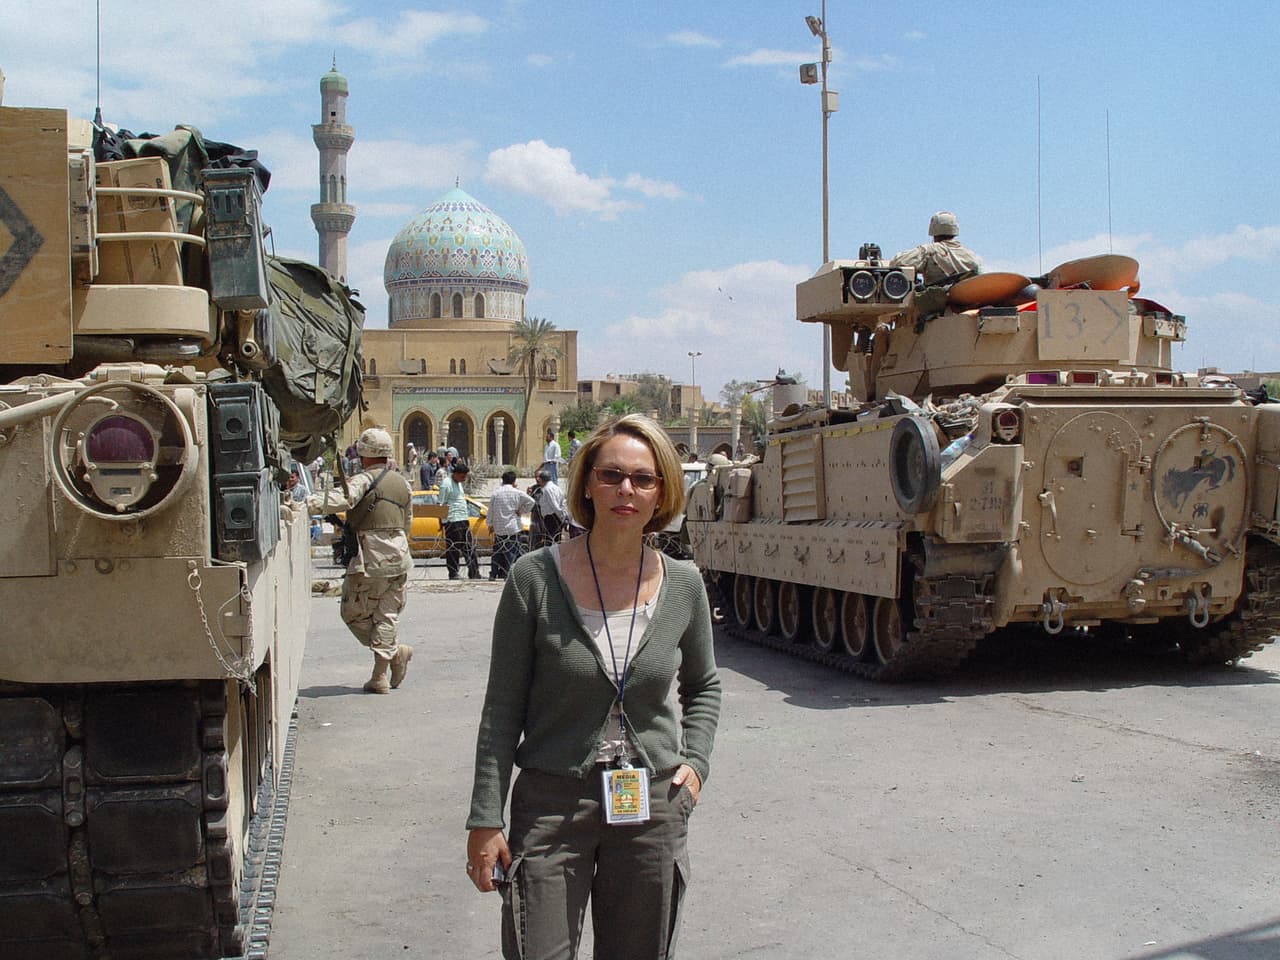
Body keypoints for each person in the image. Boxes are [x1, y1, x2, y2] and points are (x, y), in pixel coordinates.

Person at [465, 413, 722, 960]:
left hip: (650, 805)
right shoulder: (533, 579)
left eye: (643, 478)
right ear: (586, 484)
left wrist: (695, 764)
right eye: (610, 475)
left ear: (662, 493)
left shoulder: (684, 584)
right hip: (553, 804)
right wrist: (486, 817)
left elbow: (703, 685)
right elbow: (501, 709)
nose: (625, 489)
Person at [307, 427, 414, 694]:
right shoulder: (403, 483)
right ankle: (380, 675)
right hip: (399, 557)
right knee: (386, 615)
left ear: (364, 455)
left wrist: (307, 503)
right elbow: (407, 522)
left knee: (352, 612)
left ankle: (392, 653)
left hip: (371, 558)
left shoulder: (364, 479)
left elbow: (342, 498)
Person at [889, 210, 982, 287]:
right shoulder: (972, 256)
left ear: (932, 229)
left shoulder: (929, 251)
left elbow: (897, 261)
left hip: (936, 304)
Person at [486, 470, 534, 580]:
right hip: (513, 527)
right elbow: (531, 501)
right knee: (511, 551)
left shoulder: (496, 493)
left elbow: (490, 510)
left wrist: (490, 524)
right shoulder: (517, 493)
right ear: (514, 481)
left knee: (497, 551)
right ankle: (508, 573)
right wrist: (522, 510)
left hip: (499, 527)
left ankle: (493, 574)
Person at [440, 459, 481, 580]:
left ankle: (474, 572)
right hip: (453, 521)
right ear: (456, 474)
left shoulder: (458, 483)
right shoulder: (446, 484)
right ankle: (453, 573)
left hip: (463, 519)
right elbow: (440, 504)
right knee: (453, 548)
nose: (464, 479)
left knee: (469, 547)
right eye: (462, 476)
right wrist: (442, 522)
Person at [528, 468, 568, 549]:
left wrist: (562, 517)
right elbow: (563, 502)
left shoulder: (547, 489)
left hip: (552, 518)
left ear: (543, 480)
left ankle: (551, 558)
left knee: (550, 541)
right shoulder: (556, 488)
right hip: (554, 517)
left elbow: (554, 505)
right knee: (555, 540)